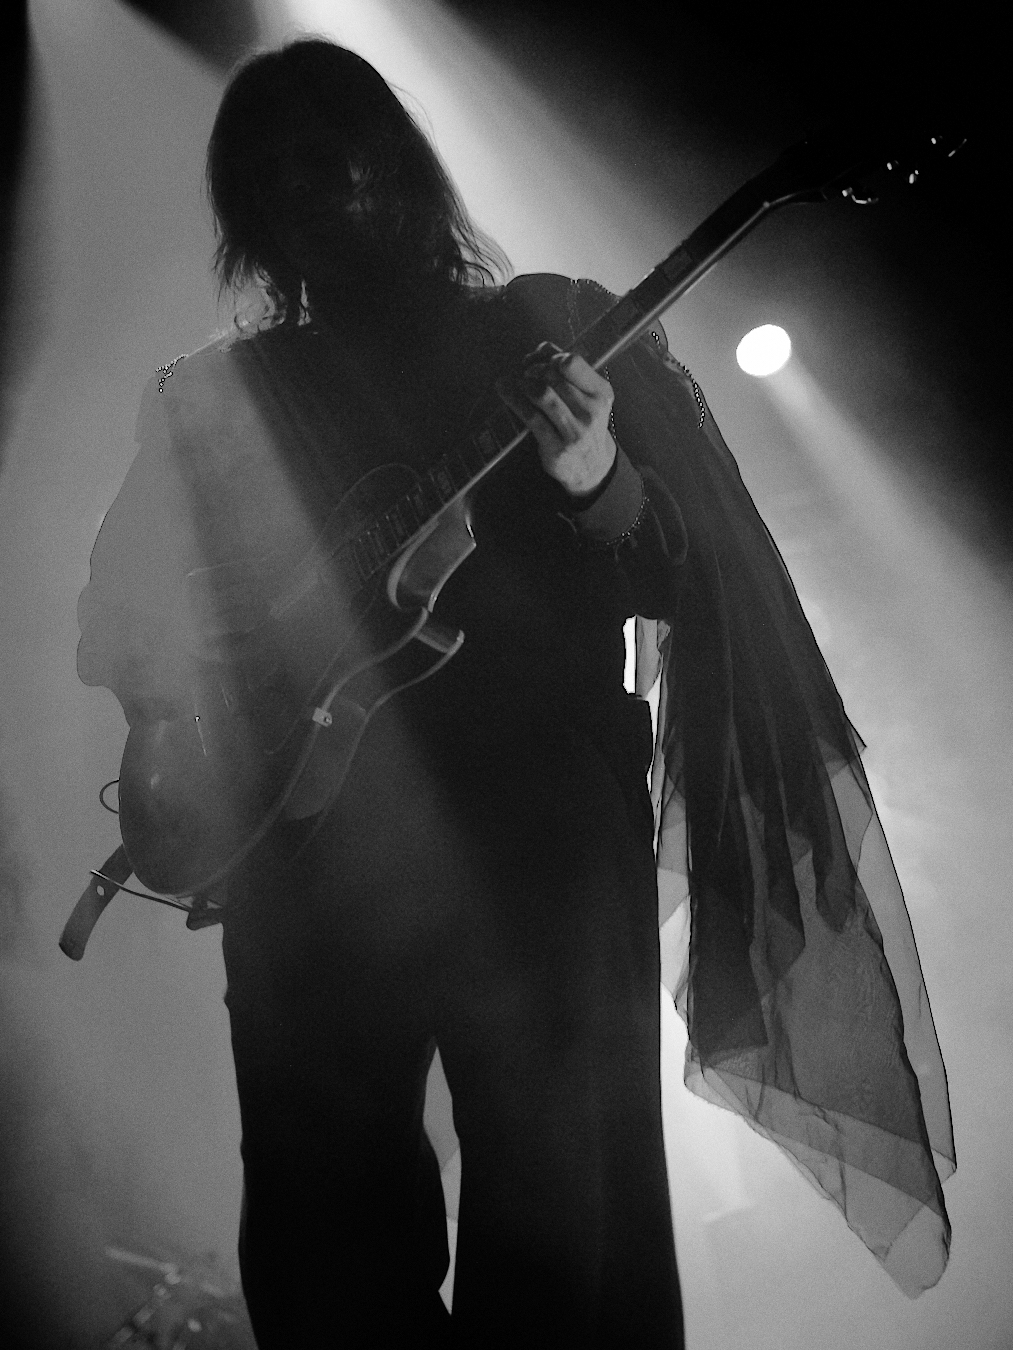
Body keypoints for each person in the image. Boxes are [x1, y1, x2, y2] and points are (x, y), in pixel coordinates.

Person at [77, 37, 954, 1349]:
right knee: (323, 1234)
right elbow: (123, 603)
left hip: (540, 824)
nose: (307, 192)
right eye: (270, 175)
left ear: (396, 166)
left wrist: (597, 475)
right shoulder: (219, 395)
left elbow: (694, 579)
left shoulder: (546, 326)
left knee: (563, 1219)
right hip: (304, 853)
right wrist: (174, 720)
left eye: (328, 157)